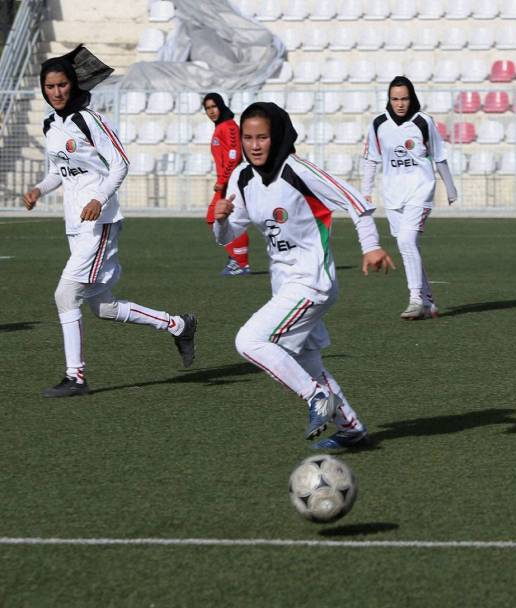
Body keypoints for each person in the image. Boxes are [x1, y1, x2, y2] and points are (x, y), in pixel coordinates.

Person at [214, 102, 395, 450]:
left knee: (249, 341)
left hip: (312, 281)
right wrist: (221, 219)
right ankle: (351, 429)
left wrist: (371, 246)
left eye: (262, 137)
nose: (254, 145)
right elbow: (227, 236)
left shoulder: (297, 170)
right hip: (285, 285)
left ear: (277, 135)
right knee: (306, 361)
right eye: (248, 138)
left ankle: (317, 398)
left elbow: (355, 201)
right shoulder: (241, 177)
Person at [24, 46, 197, 398]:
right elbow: (61, 170)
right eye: (50, 86)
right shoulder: (51, 125)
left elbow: (120, 163)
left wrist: (98, 198)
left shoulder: (89, 120)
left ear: (72, 85)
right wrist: (39, 189)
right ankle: (178, 325)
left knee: (64, 294)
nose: (56, 92)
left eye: (62, 85)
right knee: (102, 307)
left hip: (99, 221)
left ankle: (76, 377)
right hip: (75, 223)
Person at [361, 76, 457, 320]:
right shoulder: (379, 124)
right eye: (395, 99)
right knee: (407, 244)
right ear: (389, 99)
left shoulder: (423, 122)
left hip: (420, 189)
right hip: (393, 193)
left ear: (411, 98)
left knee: (406, 240)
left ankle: (415, 299)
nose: (400, 104)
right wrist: (366, 190)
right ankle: (428, 302)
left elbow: (438, 156)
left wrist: (450, 186)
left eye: (404, 98)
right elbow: (371, 158)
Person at [203, 92, 250, 276]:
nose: (211, 111)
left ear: (221, 106)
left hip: (230, 181)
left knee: (219, 217)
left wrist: (223, 181)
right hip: (225, 180)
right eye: (207, 108)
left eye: (214, 106)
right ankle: (237, 260)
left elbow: (234, 154)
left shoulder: (228, 126)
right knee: (216, 218)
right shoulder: (220, 127)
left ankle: (240, 262)